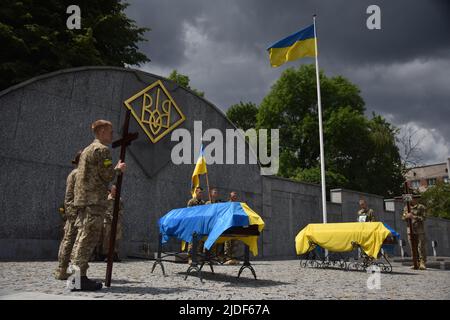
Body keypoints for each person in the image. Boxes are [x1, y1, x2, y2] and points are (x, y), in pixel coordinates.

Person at [70, 120, 126, 291]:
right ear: (101, 131)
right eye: (110, 131)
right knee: (88, 238)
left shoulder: (87, 149)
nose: (112, 135)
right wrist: (118, 168)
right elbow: (107, 174)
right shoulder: (102, 150)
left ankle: (75, 278)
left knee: (81, 237)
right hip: (94, 200)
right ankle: (78, 280)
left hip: (84, 200)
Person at [54, 150, 82, 280]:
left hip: (71, 210)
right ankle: (66, 270)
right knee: (72, 241)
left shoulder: (73, 173)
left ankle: (62, 269)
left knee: (67, 240)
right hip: (75, 211)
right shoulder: (77, 174)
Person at [402, 195, 427, 270]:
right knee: (413, 247)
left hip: (419, 230)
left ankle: (422, 263)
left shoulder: (421, 207)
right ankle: (415, 263)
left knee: (421, 247)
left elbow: (424, 218)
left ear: (415, 199)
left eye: (411, 198)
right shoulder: (406, 207)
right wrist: (406, 216)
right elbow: (403, 217)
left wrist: (413, 217)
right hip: (410, 230)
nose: (409, 199)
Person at [101, 185, 124, 262]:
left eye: (117, 190)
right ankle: (107, 255)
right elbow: (104, 209)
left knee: (117, 238)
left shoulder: (119, 200)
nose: (116, 192)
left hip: (117, 222)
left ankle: (115, 254)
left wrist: (117, 215)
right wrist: (110, 216)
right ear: (111, 190)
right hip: (108, 222)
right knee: (107, 239)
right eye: (114, 190)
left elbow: (121, 210)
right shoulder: (107, 199)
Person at [186, 187, 205, 264]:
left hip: (200, 224)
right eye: (199, 192)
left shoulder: (203, 203)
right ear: (196, 193)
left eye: (201, 193)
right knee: (192, 241)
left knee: (199, 242)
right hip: (193, 223)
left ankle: (196, 257)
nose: (201, 194)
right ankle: (190, 258)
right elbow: (188, 212)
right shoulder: (191, 202)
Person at [224, 191, 240, 265]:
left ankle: (233, 257)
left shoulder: (238, 205)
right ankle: (227, 258)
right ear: (230, 197)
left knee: (235, 242)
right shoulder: (227, 204)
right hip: (228, 225)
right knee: (228, 242)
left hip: (235, 226)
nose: (234, 197)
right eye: (233, 196)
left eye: (235, 196)